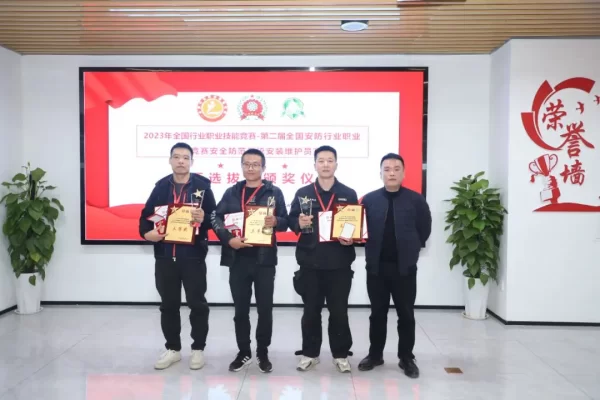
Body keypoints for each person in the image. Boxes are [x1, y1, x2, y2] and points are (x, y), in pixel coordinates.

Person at [138, 142, 217, 371]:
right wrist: (147, 234)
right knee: (168, 305)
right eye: (176, 157)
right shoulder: (161, 187)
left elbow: (215, 217)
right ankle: (173, 349)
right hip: (165, 256)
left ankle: (198, 349)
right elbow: (145, 218)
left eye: (185, 157)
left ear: (192, 161)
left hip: (193, 256)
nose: (181, 161)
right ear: (170, 160)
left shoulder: (203, 187)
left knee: (197, 304)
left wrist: (204, 218)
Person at [210, 148, 289, 373]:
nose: (251, 168)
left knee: (265, 309)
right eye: (247, 164)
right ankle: (243, 351)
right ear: (242, 166)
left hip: (265, 260)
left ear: (263, 168)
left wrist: (276, 221)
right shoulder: (232, 192)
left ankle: (262, 352)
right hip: (238, 259)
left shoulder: (274, 192)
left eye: (255, 164)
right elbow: (216, 217)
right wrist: (228, 240)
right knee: (240, 310)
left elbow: (286, 222)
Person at [357, 153, 432, 378]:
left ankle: (406, 357)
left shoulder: (416, 200)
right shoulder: (369, 200)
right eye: (387, 169)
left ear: (404, 173)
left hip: (404, 269)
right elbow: (360, 229)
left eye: (396, 169)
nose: (391, 173)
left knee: (406, 315)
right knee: (377, 314)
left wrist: (411, 249)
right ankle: (375, 355)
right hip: (376, 268)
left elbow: (424, 229)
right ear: (380, 173)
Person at [288, 145, 357, 373]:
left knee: (339, 312)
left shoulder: (348, 193)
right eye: (321, 160)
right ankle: (310, 353)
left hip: (339, 263)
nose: (325, 164)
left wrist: (351, 238)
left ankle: (340, 354)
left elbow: (354, 224)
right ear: (315, 164)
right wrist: (299, 223)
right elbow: (291, 221)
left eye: (330, 160)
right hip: (310, 262)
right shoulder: (303, 193)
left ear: (336, 164)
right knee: (311, 311)